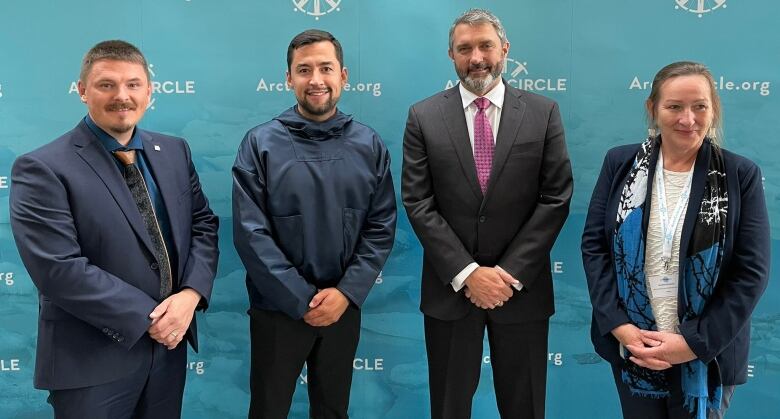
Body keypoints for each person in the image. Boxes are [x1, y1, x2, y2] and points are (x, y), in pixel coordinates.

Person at [9, 40, 220, 419]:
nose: (122, 96)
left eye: (133, 84)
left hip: (167, 354)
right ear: (82, 90)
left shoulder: (174, 151)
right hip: (91, 360)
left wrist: (190, 294)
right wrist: (153, 318)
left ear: (149, 91)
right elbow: (58, 269)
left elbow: (202, 224)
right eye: (107, 84)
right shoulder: (42, 167)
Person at [401, 9, 573, 419]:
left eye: (485, 46)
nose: (476, 57)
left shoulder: (543, 112)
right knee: (448, 408)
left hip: (521, 290)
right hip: (451, 291)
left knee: (525, 407)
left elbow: (555, 197)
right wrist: (468, 273)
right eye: (465, 48)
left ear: (505, 49)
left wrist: (507, 274)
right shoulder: (423, 116)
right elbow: (418, 201)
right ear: (451, 55)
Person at [581, 61, 770, 419]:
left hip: (705, 353)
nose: (688, 119)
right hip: (634, 348)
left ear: (713, 109)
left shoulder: (739, 175)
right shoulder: (619, 164)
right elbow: (594, 248)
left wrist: (692, 344)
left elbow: (751, 271)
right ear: (653, 109)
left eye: (700, 106)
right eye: (674, 107)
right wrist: (620, 327)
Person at [232, 29, 396, 419]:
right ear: (289, 79)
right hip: (278, 309)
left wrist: (345, 293)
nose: (316, 80)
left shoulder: (369, 144)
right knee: (268, 409)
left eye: (326, 68)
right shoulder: (260, 144)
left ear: (344, 75)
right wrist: (299, 297)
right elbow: (250, 232)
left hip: (342, 309)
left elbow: (381, 225)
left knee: (333, 409)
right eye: (304, 70)